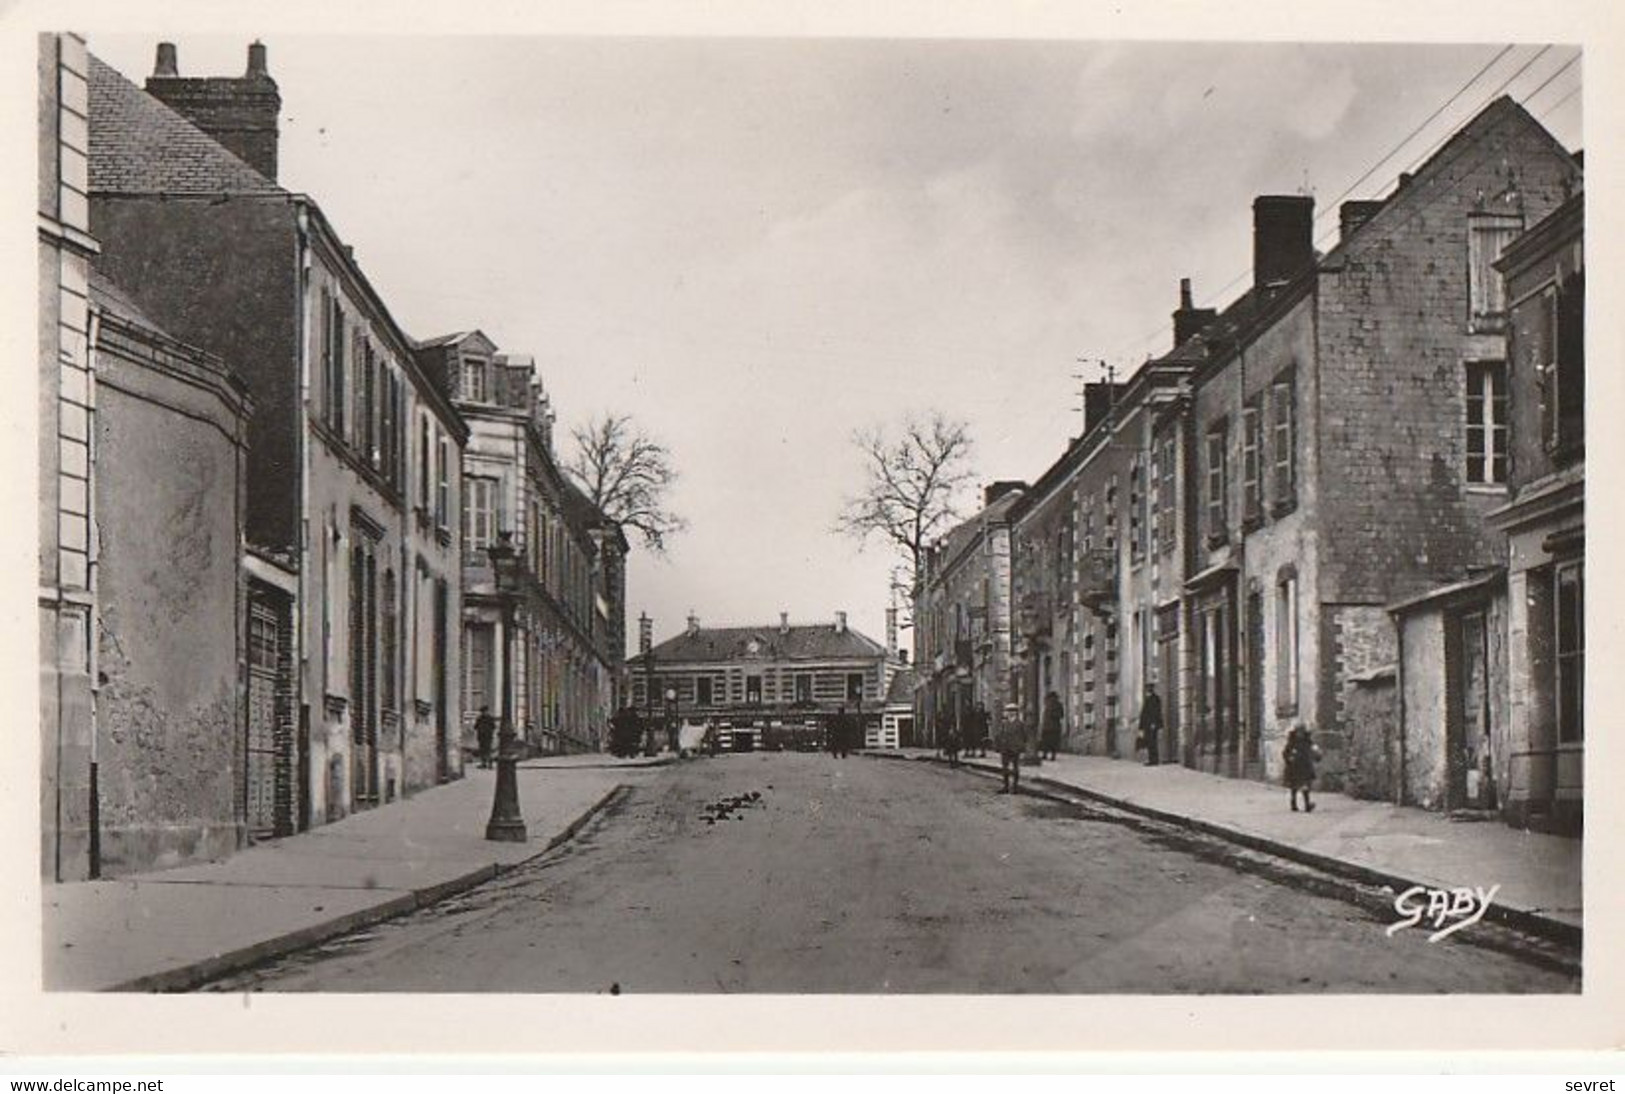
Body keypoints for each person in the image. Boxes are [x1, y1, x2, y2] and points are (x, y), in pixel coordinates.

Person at [1284, 724, 1320, 812]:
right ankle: (1294, 803)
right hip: (1295, 766)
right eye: (1298, 732)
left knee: (1306, 786)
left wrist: (1317, 756)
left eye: (1301, 732)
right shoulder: (1292, 742)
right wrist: (1289, 759)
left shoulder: (1307, 741)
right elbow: (1286, 752)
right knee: (1294, 787)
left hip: (1305, 766)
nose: (1300, 734)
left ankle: (1307, 805)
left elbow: (1314, 750)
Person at [994, 703, 1027, 794]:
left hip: (1015, 748)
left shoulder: (1020, 724)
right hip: (1005, 748)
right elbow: (999, 735)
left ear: (1016, 712)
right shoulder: (1004, 724)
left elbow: (1024, 736)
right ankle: (1006, 786)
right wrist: (998, 746)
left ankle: (1015, 787)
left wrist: (1021, 746)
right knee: (1005, 768)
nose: (1010, 713)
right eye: (1008, 711)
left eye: (1012, 711)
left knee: (1015, 768)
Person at [1139, 684, 1164, 766]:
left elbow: (1156, 712)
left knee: (1152, 742)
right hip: (1147, 725)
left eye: (1149, 688)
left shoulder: (1155, 699)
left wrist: (1154, 723)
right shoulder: (1148, 698)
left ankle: (1154, 760)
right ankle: (1151, 759)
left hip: (1152, 725)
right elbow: (1144, 713)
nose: (1148, 690)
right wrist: (1141, 726)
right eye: (1147, 688)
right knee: (1149, 742)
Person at [1041, 691, 1064, 761]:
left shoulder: (1048, 705)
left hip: (1048, 727)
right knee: (1053, 743)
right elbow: (1061, 715)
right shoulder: (1058, 705)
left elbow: (1045, 717)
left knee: (1046, 742)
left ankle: (1046, 755)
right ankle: (1052, 755)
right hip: (1055, 727)